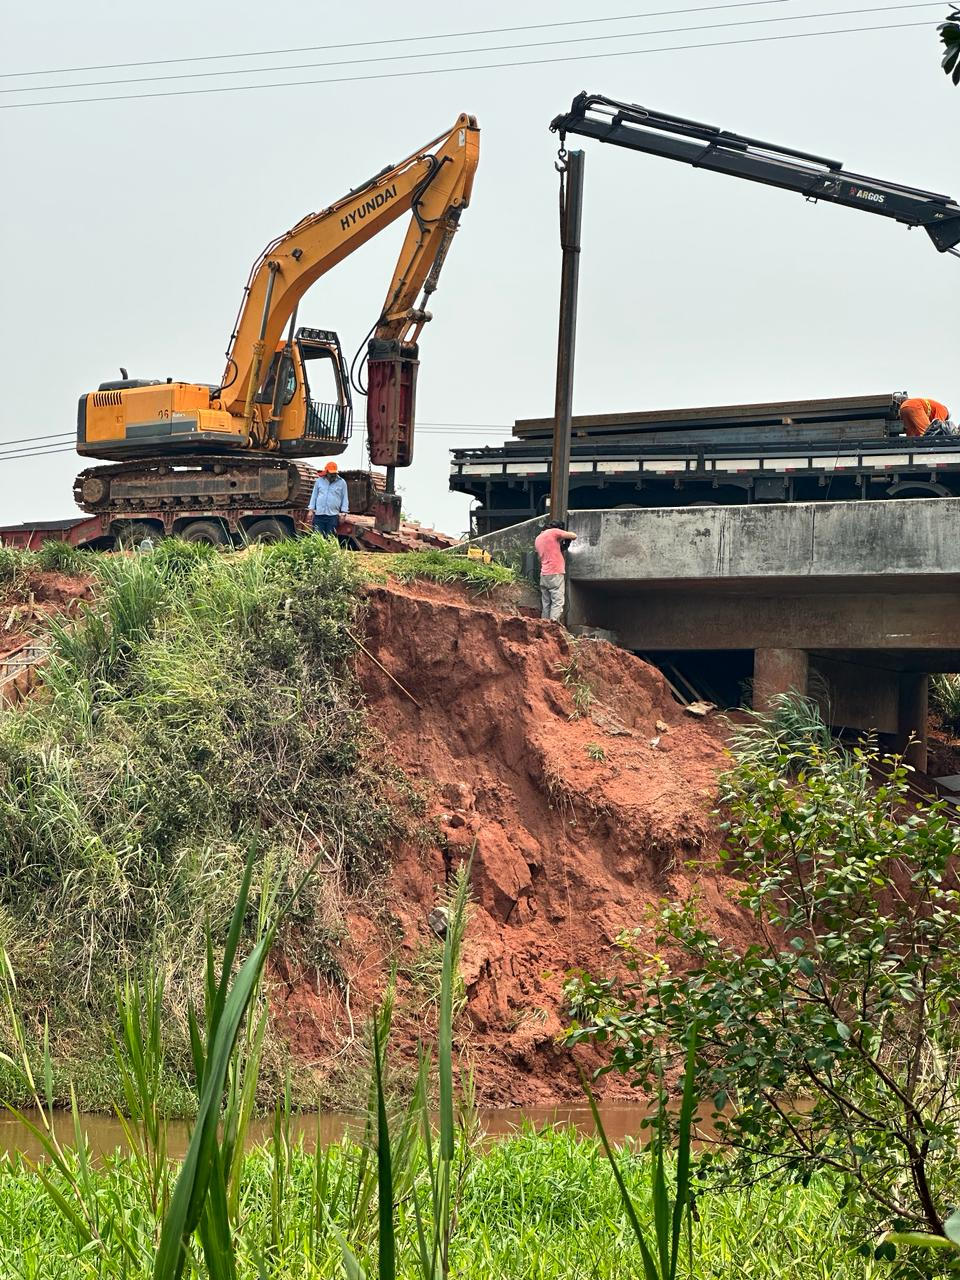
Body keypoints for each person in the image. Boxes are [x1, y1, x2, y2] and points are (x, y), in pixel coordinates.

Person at [534, 519, 577, 622]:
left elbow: (552, 550)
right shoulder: (554, 531)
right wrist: (564, 535)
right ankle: (553, 626)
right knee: (557, 602)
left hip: (544, 575)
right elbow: (573, 535)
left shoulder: (538, 538)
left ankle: (544, 625)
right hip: (555, 573)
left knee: (546, 603)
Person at [308, 460, 349, 536]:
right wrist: (311, 510)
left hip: (332, 516)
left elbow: (345, 498)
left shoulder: (342, 482)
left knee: (330, 537)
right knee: (318, 537)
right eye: (331, 474)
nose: (333, 475)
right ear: (326, 472)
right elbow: (314, 496)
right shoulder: (319, 481)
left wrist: (344, 513)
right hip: (319, 515)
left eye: (335, 473)